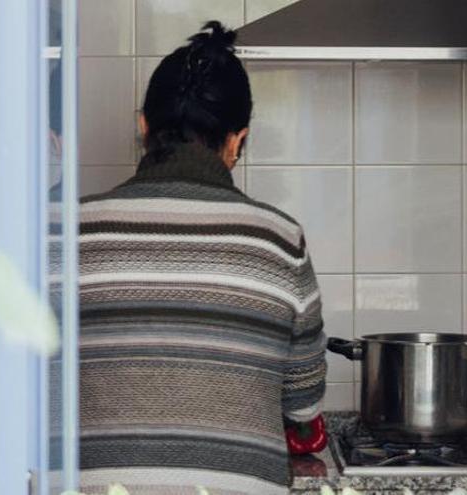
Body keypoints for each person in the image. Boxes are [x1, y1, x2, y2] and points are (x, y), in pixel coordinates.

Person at [78, 21, 327, 495]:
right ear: (237, 141)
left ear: (144, 126)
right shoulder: (279, 240)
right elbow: (302, 402)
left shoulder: (66, 231)